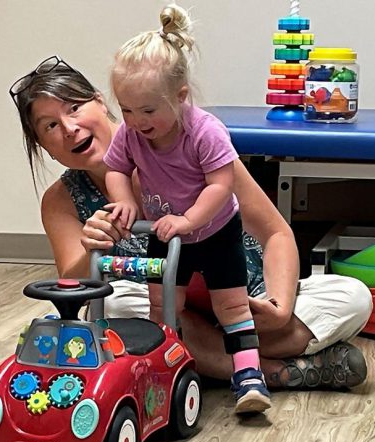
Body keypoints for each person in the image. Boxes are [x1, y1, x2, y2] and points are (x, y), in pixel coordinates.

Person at [9, 51, 372, 393]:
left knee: (354, 297)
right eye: (50, 125)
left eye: (75, 108)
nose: (69, 128)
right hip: (170, 314)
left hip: (246, 301)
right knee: (116, 305)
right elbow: (75, 287)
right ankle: (273, 372)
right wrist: (93, 246)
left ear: (101, 101)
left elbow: (276, 233)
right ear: (43, 145)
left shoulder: (196, 146)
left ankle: (209, 361)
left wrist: (278, 308)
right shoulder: (61, 200)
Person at [103, 5, 270, 414]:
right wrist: (125, 199)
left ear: (180, 97)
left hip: (215, 232)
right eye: (126, 109)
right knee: (161, 305)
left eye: (147, 111)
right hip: (165, 234)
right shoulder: (129, 135)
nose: (136, 121)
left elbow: (221, 185)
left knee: (231, 305)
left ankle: (249, 375)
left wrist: (190, 219)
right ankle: (167, 366)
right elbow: (115, 169)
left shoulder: (205, 132)